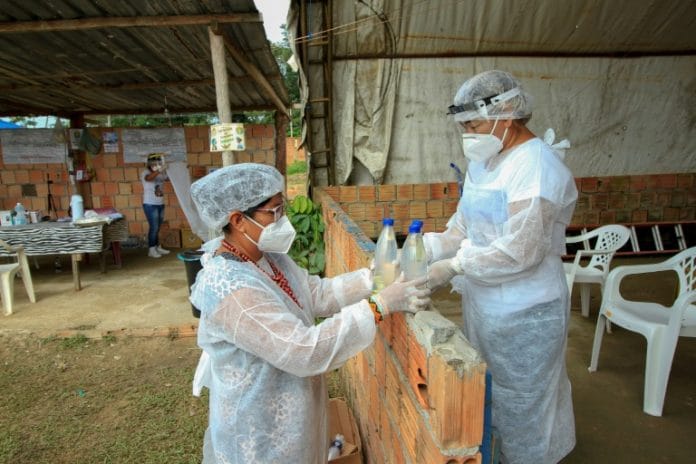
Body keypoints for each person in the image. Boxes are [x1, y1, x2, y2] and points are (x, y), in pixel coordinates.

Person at [188, 163, 431, 463]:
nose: (284, 220)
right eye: (275, 212)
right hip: (258, 433)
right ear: (238, 220)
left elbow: (315, 294)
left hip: (290, 417)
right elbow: (303, 350)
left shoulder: (266, 257)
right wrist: (378, 306)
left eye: (283, 208)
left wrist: (372, 279)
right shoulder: (229, 288)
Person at [424, 70, 578, 463]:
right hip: (484, 303)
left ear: (506, 114)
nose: (468, 135)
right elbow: (464, 225)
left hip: (527, 312)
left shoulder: (537, 167)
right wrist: (430, 247)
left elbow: (521, 250)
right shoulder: (484, 162)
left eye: (473, 125)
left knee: (524, 403)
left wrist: (455, 264)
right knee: (489, 392)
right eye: (463, 127)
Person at [141, 153, 170, 258]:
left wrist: (179, 169)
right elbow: (148, 178)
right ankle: (151, 249)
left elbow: (169, 178)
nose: (156, 164)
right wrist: (159, 170)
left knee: (158, 227)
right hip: (150, 204)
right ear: (149, 164)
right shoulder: (146, 172)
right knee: (154, 227)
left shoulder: (161, 173)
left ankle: (157, 247)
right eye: (154, 163)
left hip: (160, 203)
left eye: (158, 163)